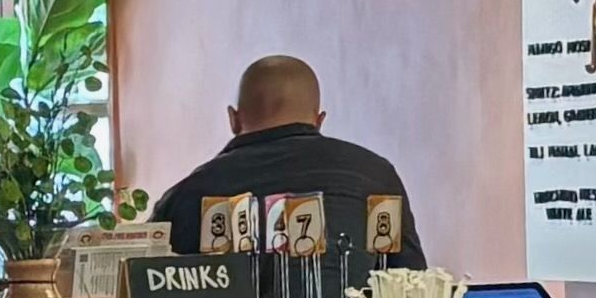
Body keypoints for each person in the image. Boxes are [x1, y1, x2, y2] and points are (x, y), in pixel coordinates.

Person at [147, 53, 424, 263]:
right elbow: (410, 285)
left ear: (233, 119)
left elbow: (150, 295)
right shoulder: (377, 177)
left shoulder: (189, 194)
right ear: (319, 120)